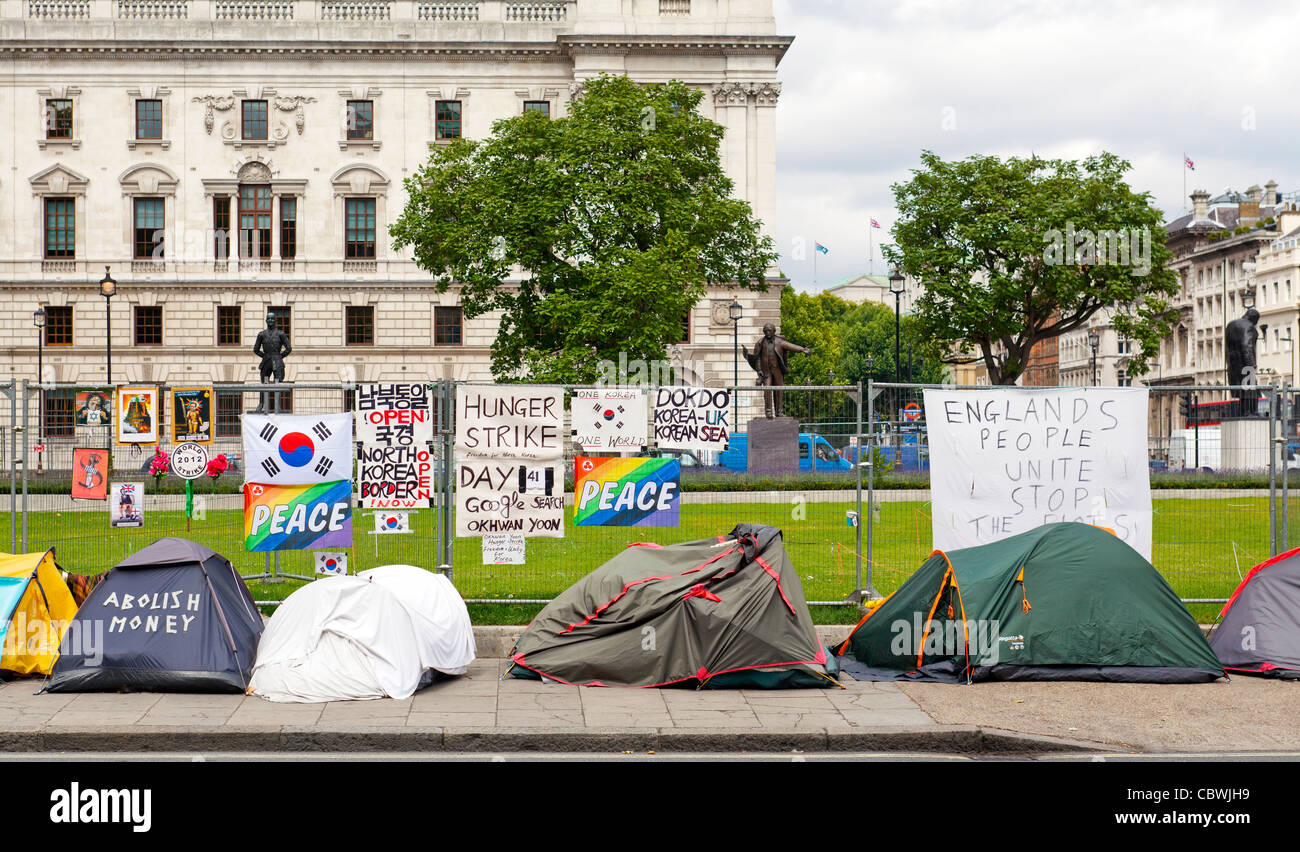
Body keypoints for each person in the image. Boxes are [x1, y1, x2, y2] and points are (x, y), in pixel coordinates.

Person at [742, 322, 812, 419]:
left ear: (774, 331)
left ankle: (779, 412)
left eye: (769, 330)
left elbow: (791, 346)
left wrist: (802, 349)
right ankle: (768, 412)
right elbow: (757, 358)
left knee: (779, 391)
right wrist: (759, 370)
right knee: (767, 391)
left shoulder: (780, 342)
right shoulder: (760, 343)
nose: (768, 333)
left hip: (777, 371)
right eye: (766, 331)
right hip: (766, 372)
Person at [253, 313, 292, 414]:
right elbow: (256, 349)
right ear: (266, 321)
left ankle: (277, 406)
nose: (270, 320)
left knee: (278, 383)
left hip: (277, 360)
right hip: (266, 361)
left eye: (272, 319)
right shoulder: (261, 334)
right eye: (268, 319)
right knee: (263, 384)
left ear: (275, 321)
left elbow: (289, 348)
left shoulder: (281, 334)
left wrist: (279, 357)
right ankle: (261, 404)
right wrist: (265, 356)